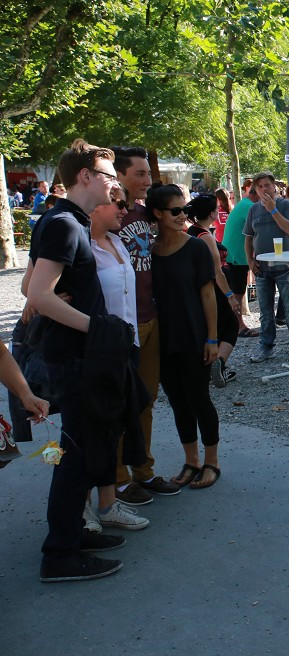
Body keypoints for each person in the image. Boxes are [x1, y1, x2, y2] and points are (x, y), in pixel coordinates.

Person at [27, 139, 128, 582]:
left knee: (78, 455)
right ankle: (61, 554)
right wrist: (97, 327)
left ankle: (70, 536)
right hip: (74, 359)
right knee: (75, 458)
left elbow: (33, 283)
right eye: (108, 175)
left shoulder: (64, 220)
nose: (115, 184)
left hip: (76, 357)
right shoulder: (66, 223)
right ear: (85, 177)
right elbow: (37, 295)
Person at [111, 145, 179, 505]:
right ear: (119, 175)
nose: (147, 180)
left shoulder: (144, 212)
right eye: (139, 173)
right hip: (121, 323)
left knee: (147, 400)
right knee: (123, 401)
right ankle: (119, 480)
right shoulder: (106, 213)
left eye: (148, 174)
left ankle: (143, 470)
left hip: (150, 316)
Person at [84, 187, 150, 532]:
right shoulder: (80, 245)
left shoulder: (117, 242)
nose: (125, 210)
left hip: (125, 345)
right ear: (96, 206)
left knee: (114, 428)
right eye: (118, 204)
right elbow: (33, 288)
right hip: (95, 350)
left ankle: (108, 503)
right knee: (88, 431)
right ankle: (82, 508)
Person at [147, 184, 222, 487]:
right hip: (162, 338)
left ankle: (212, 462)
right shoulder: (148, 250)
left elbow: (208, 295)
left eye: (185, 210)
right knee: (177, 400)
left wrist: (213, 338)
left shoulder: (195, 247)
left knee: (199, 398)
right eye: (176, 211)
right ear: (157, 213)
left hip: (193, 335)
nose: (183, 216)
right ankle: (191, 460)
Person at [186, 193, 241, 387]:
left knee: (215, 327)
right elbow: (217, 271)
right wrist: (230, 296)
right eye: (217, 209)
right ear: (211, 213)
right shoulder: (205, 236)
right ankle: (219, 363)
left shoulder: (190, 231)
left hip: (200, 287)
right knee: (232, 326)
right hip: (216, 289)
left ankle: (211, 365)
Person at [243, 172, 289, 363]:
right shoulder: (253, 210)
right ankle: (266, 347)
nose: (264, 189)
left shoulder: (285, 204)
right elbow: (248, 238)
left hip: (284, 267)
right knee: (265, 312)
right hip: (262, 268)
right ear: (255, 190)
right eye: (260, 187)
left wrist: (273, 210)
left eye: (267, 185)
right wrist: (250, 261)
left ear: (274, 186)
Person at [221, 179, 257, 338]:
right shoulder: (249, 207)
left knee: (237, 291)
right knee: (237, 293)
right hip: (236, 255)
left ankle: (236, 324)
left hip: (235, 253)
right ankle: (238, 326)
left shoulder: (244, 204)